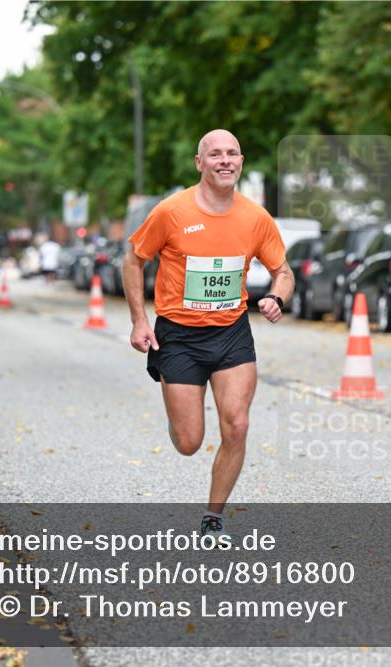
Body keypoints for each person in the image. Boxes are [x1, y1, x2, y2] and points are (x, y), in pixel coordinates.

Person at [122, 129, 294, 540]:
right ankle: (179, 411)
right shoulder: (171, 211)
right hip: (178, 336)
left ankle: (213, 518)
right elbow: (133, 260)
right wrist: (139, 321)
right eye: (215, 154)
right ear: (199, 163)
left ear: (241, 161)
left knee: (237, 425)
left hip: (232, 333)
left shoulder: (256, 218)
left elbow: (283, 271)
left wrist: (277, 297)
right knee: (189, 441)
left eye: (232, 153)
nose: (224, 160)